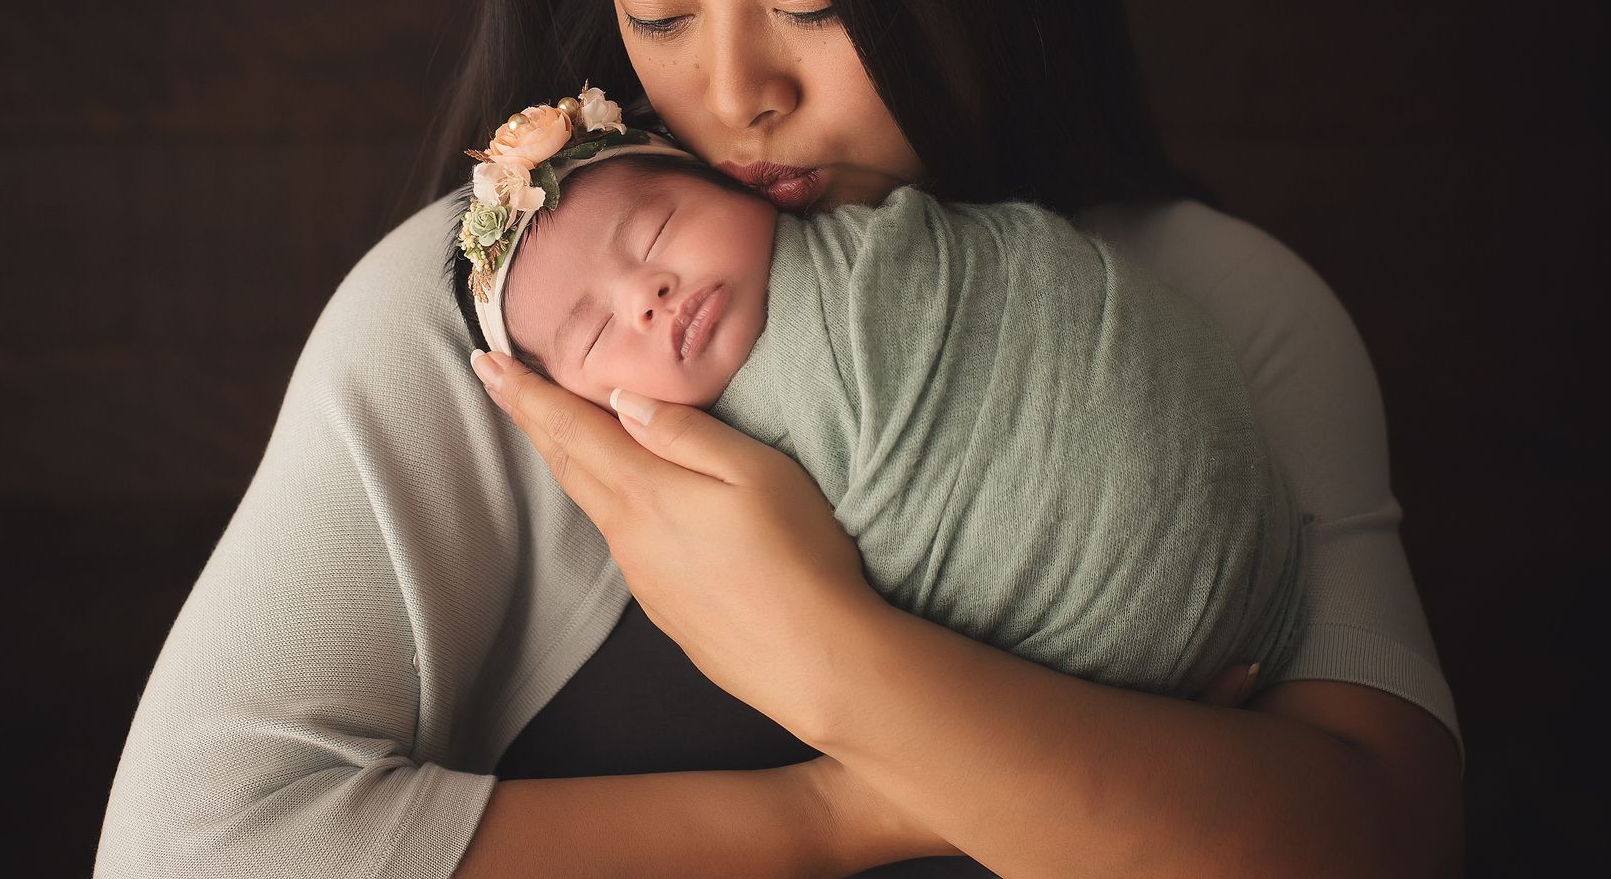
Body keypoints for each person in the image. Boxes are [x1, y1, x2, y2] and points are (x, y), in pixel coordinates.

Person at [96, 0, 1462, 878]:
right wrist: (838, 819)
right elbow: (187, 847)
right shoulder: (506, 331)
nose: (737, 91)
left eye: (810, 2)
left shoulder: (1222, 308)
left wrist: (834, 660)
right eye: (660, 11)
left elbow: (1383, 842)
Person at [448, 111, 1307, 700]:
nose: (647, 295)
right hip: (1099, 662)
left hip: (1228, 499)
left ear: (736, 185)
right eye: (596, 336)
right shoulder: (694, 479)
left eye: (658, 231)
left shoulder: (883, 239)